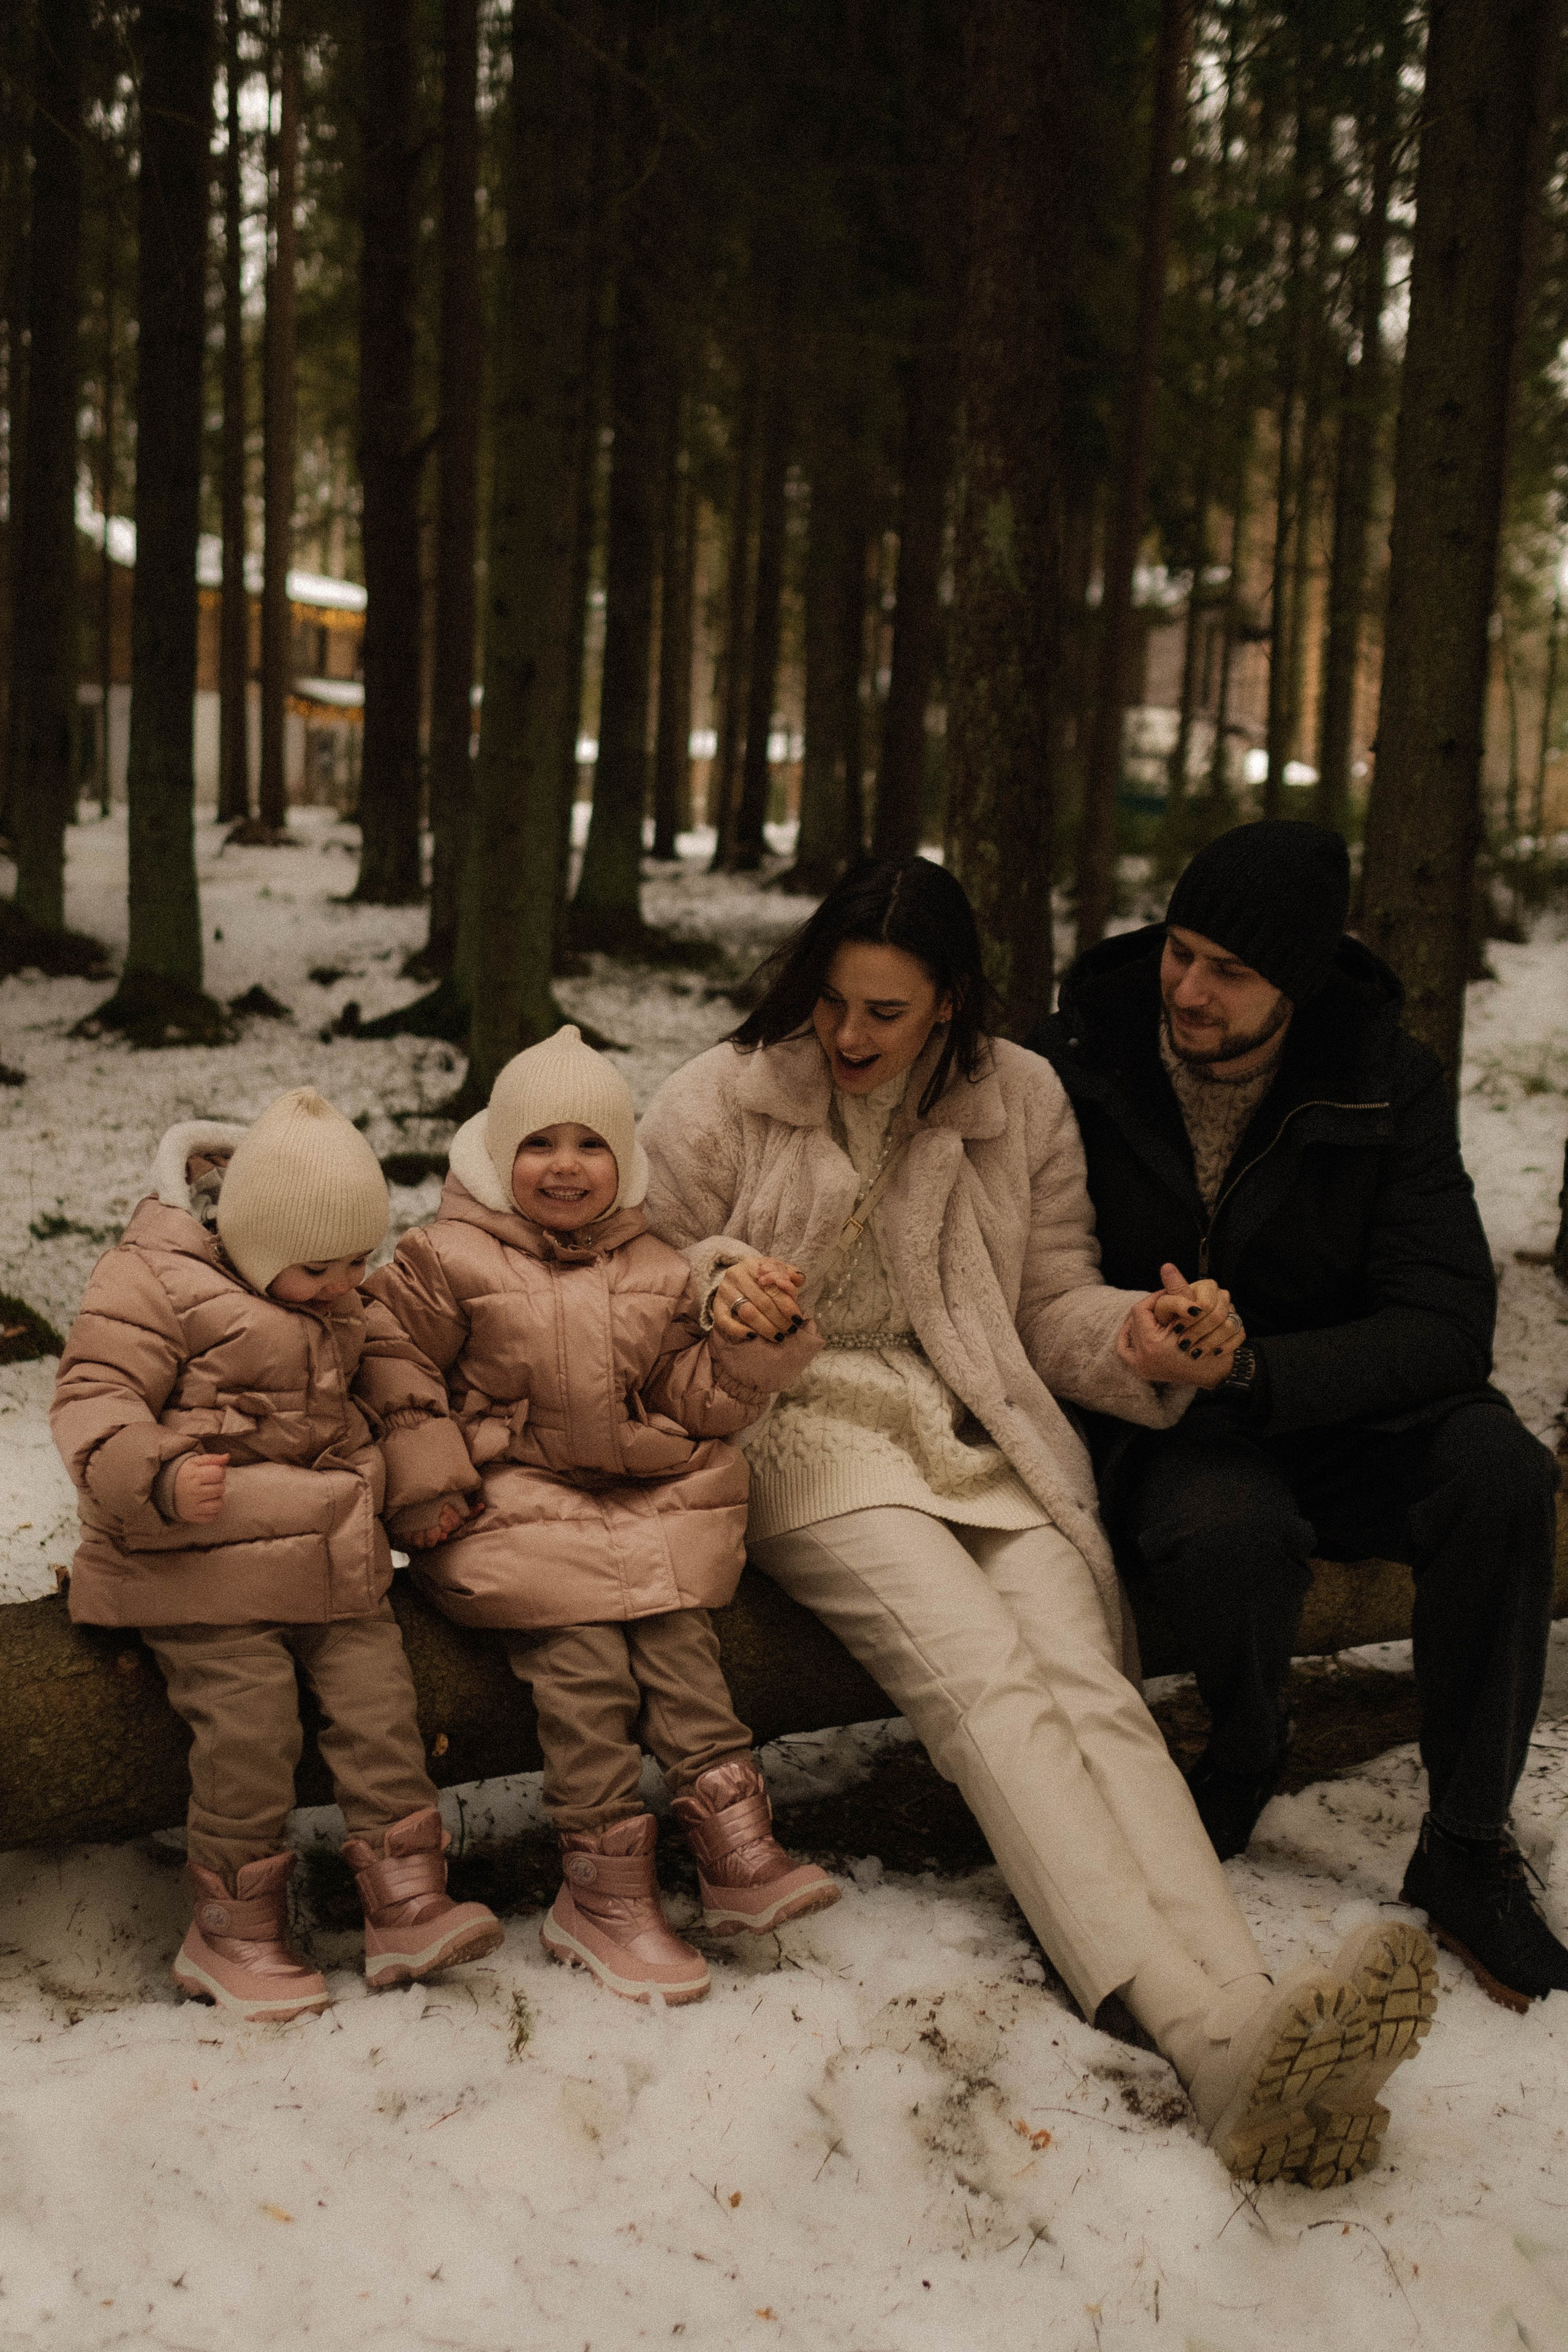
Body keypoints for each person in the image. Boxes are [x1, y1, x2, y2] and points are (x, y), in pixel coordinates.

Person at [639, 856, 1437, 2188]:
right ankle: (1201, 2039)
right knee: (990, 1686)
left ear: (950, 1002)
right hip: (803, 1434)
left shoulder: (1016, 1098)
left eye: (885, 1012)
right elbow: (639, 1269)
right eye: (832, 1002)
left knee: (1092, 1686)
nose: (848, 1036)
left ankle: (1261, 2012)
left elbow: (1047, 1301)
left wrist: (1140, 1338)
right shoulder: (716, 1097)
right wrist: (717, 1284)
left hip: (971, 1425)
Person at [1031, 818, 1564, 2013]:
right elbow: (1035, 1270)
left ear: (1299, 984)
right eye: (1180, 951)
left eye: (1229, 971)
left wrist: (1258, 1370)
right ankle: (1245, 1747)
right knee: (1227, 1530)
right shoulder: (1079, 1054)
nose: (1188, 989)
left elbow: (1444, 1322)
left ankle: (1465, 1845)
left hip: (1337, 1403)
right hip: (1166, 1413)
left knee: (1504, 1475)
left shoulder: (1383, 1074)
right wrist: (1160, 1351)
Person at [361, 1024, 839, 2010]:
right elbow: (390, 1360)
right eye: (538, 1144)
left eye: (591, 1145)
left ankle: (733, 1842)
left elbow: (682, 1395)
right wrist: (428, 1473)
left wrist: (749, 1355)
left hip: (635, 1491)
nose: (565, 1165)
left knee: (679, 1642)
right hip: (511, 1501)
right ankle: (602, 1889)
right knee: (581, 1665)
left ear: (624, 1162)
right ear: (498, 1156)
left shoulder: (657, 1266)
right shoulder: (444, 1257)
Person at [51, 1087, 502, 2023]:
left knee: (381, 1710)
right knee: (249, 1731)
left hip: (331, 1562)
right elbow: (95, 1397)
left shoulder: (344, 1298)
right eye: (317, 1268)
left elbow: (402, 1389)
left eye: (359, 1261)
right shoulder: (155, 1281)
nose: (344, 1284)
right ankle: (232, 1930)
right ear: (253, 1243)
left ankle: (406, 1899)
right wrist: (162, 1472)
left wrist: (425, 1488)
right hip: (198, 1566)